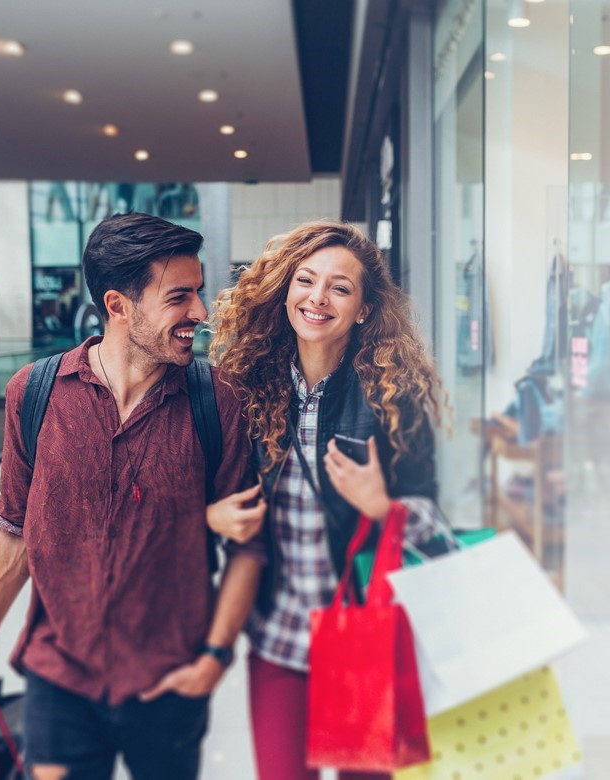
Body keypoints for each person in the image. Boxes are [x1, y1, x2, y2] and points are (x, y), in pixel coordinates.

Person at [0, 213, 266, 780]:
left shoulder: (217, 401)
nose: (199, 313)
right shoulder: (36, 394)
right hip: (60, 674)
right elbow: (14, 529)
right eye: (179, 297)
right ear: (118, 306)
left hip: (169, 675)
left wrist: (214, 658)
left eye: (197, 292)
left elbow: (247, 546)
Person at [207, 221, 451, 780]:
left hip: (363, 635)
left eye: (340, 288)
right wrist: (212, 516)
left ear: (364, 308)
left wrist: (382, 507)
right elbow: (205, 489)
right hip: (278, 637)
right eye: (306, 280)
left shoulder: (394, 394)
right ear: (285, 291)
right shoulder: (244, 387)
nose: (318, 298)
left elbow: (433, 520)